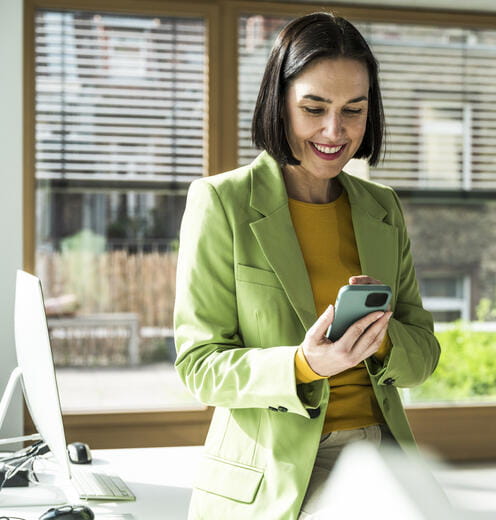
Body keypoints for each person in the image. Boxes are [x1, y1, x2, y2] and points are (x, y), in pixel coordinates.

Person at [173, 13, 440, 519]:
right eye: (313, 108)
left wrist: (378, 339)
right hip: (279, 466)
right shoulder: (221, 202)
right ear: (279, 103)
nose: (333, 131)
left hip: (380, 451)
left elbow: (424, 355)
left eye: (353, 111)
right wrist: (305, 365)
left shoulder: (381, 207)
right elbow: (199, 366)